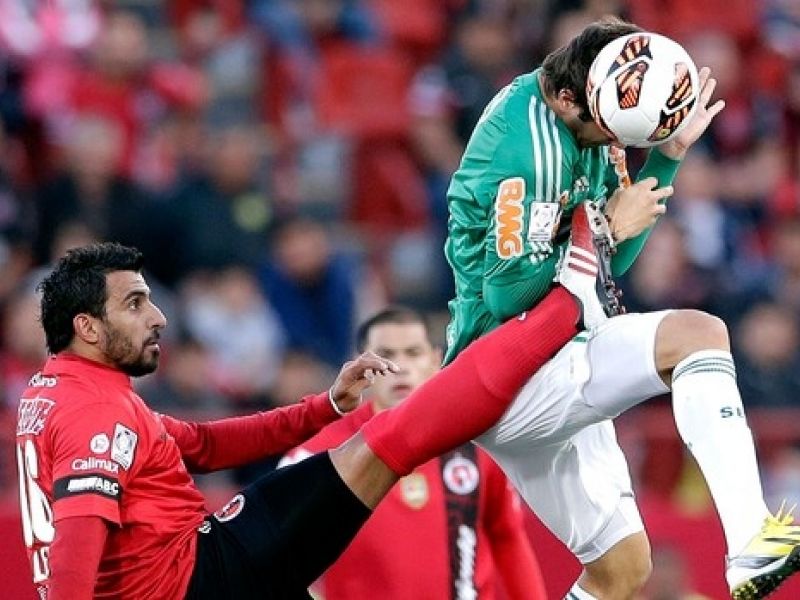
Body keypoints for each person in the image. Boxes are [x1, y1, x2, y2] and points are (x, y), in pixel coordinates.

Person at [367, 16, 798, 600]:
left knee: (622, 570)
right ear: (571, 99)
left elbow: (613, 261)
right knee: (697, 333)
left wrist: (667, 157)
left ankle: (749, 547)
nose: (614, 144)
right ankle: (750, 540)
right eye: (610, 133)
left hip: (547, 362)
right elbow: (507, 296)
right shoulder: (527, 152)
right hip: (510, 366)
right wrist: (601, 231)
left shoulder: (599, 112)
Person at [16, 229, 612, 599]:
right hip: (201, 580)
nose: (159, 318)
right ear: (87, 326)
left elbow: (201, 445)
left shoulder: (58, 395)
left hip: (197, 567)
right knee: (396, 436)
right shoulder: (95, 411)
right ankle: (566, 305)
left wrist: (323, 406)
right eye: (135, 304)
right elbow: (77, 537)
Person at [281, 306, 547, 599]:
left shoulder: (477, 439)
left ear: (435, 360)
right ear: (361, 368)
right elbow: (273, 553)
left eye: (413, 353)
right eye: (385, 355)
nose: (400, 367)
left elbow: (508, 537)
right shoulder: (319, 454)